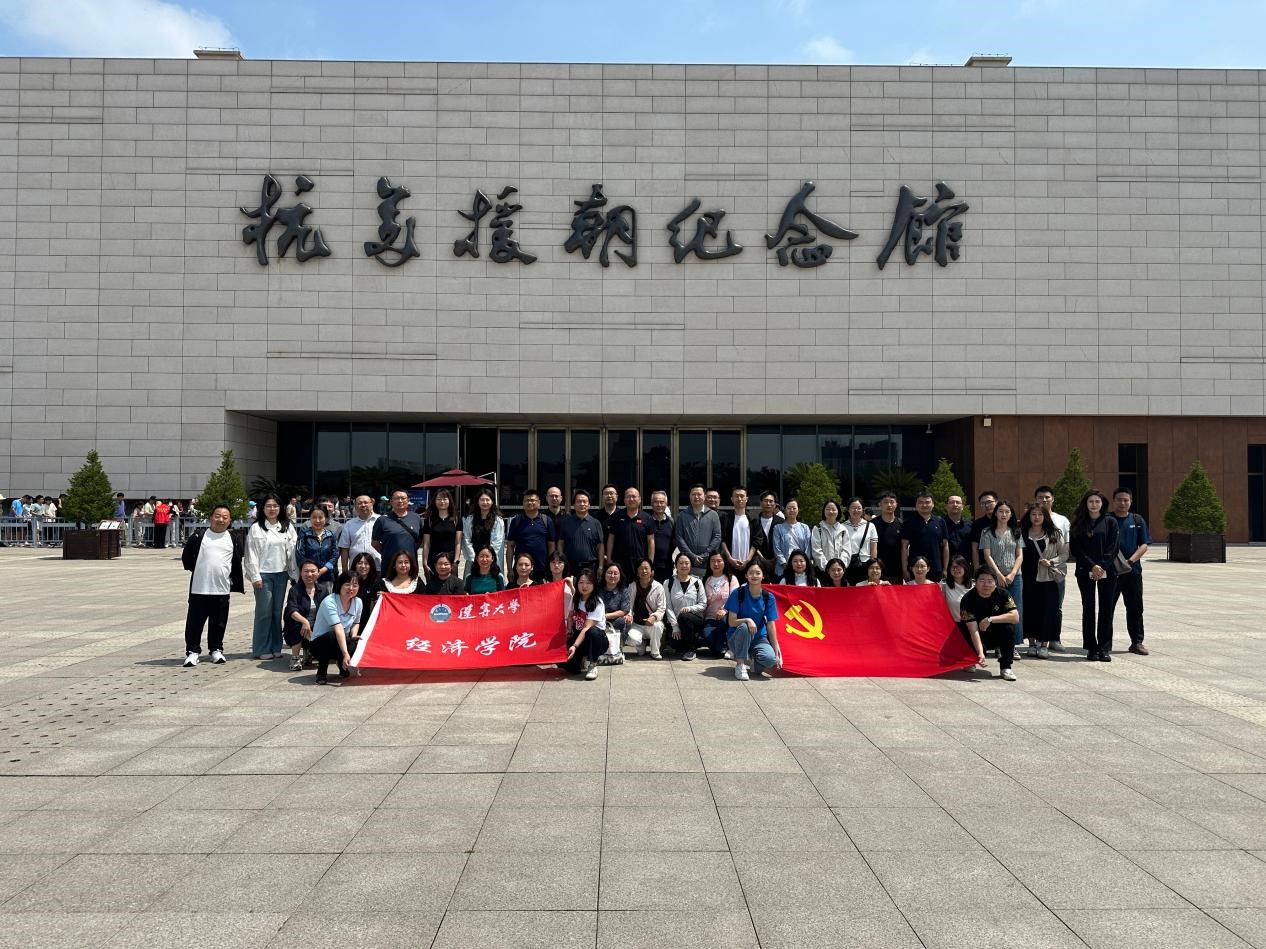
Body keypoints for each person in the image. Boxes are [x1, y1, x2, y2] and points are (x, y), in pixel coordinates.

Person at [180, 504, 244, 667]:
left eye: (225, 517)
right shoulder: (199, 535)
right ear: (211, 518)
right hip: (199, 588)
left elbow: (236, 562)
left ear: (229, 520)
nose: (221, 519)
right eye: (217, 516)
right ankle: (192, 652)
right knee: (195, 622)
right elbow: (187, 558)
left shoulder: (233, 538)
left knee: (219, 622)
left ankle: (216, 649)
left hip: (221, 588)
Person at [243, 494, 297, 661]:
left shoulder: (287, 526)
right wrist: (255, 576)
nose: (272, 509)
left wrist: (294, 574)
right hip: (263, 574)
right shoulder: (256, 528)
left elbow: (293, 552)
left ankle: (276, 646)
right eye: (268, 506)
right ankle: (261, 648)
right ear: (263, 508)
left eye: (275, 506)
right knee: (264, 612)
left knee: (276, 611)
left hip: (282, 574)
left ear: (280, 508)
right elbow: (250, 553)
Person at [1070, 490, 1120, 662]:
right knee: (1088, 608)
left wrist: (1102, 566)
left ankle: (1104, 648)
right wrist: (1093, 565)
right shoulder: (1078, 523)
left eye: (1097, 501)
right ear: (1086, 503)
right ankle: (1091, 648)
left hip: (1108, 571)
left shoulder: (1110, 521)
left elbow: (1113, 547)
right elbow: (1076, 549)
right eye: (1091, 501)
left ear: (1102, 503)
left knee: (1106, 608)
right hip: (1085, 571)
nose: (1094, 504)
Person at [1021, 503, 1068, 658]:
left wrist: (1052, 561)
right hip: (1027, 577)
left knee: (1047, 611)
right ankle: (1032, 643)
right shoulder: (1021, 533)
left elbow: (1064, 554)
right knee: (1030, 609)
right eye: (1033, 514)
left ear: (1045, 516)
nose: (1036, 517)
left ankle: (1044, 644)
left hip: (1047, 577)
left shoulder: (1054, 533)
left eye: (1040, 514)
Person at [1111, 487, 1152, 656]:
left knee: (1135, 608)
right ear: (1113, 501)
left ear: (1131, 501)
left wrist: (1129, 562)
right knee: (1107, 608)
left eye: (1126, 500)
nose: (1122, 503)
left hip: (1133, 572)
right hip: (1112, 572)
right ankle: (1104, 643)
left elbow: (1144, 544)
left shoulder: (1137, 519)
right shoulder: (1107, 520)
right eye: (1119, 500)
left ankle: (1137, 642)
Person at [960, 566, 1020, 681]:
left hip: (996, 632)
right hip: (977, 634)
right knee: (964, 631)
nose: (986, 584)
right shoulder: (967, 599)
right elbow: (973, 630)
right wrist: (980, 653)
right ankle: (972, 659)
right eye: (982, 580)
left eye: (990, 581)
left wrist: (990, 619)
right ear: (975, 582)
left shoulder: (1003, 594)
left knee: (1008, 628)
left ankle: (1006, 667)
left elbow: (1015, 617)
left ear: (995, 582)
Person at [725, 562, 782, 681]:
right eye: (751, 573)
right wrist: (747, 620)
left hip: (758, 638)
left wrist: (776, 651)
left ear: (763, 576)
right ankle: (740, 665)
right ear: (746, 575)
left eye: (758, 573)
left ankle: (750, 662)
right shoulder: (738, 593)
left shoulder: (768, 597)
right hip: (737, 637)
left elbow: (771, 625)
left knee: (771, 659)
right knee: (745, 627)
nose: (754, 576)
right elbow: (731, 622)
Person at [979, 499, 1024, 645]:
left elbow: (1020, 555)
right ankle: (997, 643)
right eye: (1000, 511)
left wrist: (1012, 574)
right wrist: (998, 574)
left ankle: (1014, 643)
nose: (1004, 514)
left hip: (1014, 577)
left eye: (1007, 512)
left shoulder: (1016, 531)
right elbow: (987, 555)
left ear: (1011, 514)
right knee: (996, 609)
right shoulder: (987, 532)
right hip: (994, 577)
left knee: (1015, 609)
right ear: (995, 513)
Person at [1034, 484, 1072, 650]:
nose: (1044, 500)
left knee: (1057, 605)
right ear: (1035, 499)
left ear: (1053, 499)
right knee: (1038, 605)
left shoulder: (1062, 520)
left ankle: (1055, 638)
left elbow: (1066, 547)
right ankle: (1038, 638)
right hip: (1036, 571)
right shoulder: (1032, 518)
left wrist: (1053, 562)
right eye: (1040, 497)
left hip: (1055, 570)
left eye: (1047, 497)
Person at [306, 571, 360, 685]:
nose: (351, 588)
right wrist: (345, 653)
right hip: (320, 643)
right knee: (331, 636)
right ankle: (321, 672)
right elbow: (338, 629)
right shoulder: (329, 602)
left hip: (341, 640)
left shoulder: (358, 602)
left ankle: (342, 665)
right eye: (347, 584)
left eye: (355, 585)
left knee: (356, 642)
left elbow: (356, 622)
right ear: (340, 585)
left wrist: (354, 635)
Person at [942, 556, 986, 669]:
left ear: (965, 567)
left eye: (958, 567)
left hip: (972, 624)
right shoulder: (944, 585)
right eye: (953, 567)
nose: (955, 569)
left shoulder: (974, 585)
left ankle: (972, 659)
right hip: (953, 625)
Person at [505, 489, 557, 582]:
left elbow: (551, 545)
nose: (529, 502)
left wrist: (551, 567)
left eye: (532, 500)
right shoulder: (516, 521)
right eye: (527, 500)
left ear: (539, 503)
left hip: (542, 569)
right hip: (521, 569)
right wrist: (509, 569)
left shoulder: (547, 520)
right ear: (523, 503)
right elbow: (510, 546)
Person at [564, 568, 606, 681]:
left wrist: (574, 646)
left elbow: (587, 628)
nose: (584, 586)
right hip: (579, 636)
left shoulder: (597, 602)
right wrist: (569, 631)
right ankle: (580, 661)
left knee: (593, 631)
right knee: (565, 662)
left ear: (594, 585)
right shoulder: (575, 599)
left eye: (588, 583)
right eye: (581, 582)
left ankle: (593, 664)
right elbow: (570, 616)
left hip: (596, 639)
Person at [283, 559, 324, 672]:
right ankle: (295, 658)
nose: (309, 574)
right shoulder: (294, 590)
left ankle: (310, 651)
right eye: (306, 571)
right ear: (300, 573)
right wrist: (304, 622)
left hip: (316, 626)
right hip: (299, 627)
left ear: (318, 572)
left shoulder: (323, 590)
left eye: (313, 571)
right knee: (296, 624)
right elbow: (292, 610)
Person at [663, 552, 706, 660]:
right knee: (674, 643)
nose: (684, 565)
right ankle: (689, 642)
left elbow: (703, 604)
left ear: (690, 565)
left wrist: (690, 608)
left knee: (684, 616)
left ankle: (691, 650)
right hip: (677, 621)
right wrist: (675, 626)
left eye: (687, 563)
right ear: (676, 565)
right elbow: (668, 607)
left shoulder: (697, 582)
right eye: (681, 563)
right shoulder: (668, 583)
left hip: (695, 619)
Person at [371, 490, 422, 579]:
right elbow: (375, 543)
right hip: (389, 565)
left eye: (403, 498)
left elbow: (420, 540)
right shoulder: (382, 520)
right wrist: (387, 551)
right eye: (397, 498)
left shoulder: (416, 518)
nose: (400, 501)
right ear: (391, 501)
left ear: (408, 500)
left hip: (410, 564)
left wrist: (409, 549)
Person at [605, 487, 653, 581]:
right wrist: (609, 559)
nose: (631, 499)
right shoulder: (616, 517)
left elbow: (651, 541)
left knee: (639, 588)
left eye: (634, 496)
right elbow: (611, 539)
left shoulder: (647, 518)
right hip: (619, 563)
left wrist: (650, 563)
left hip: (640, 564)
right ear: (624, 500)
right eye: (628, 497)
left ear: (639, 499)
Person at [900, 491, 950, 582]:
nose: (924, 505)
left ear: (933, 504)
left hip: (936, 568)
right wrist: (904, 569)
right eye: (921, 502)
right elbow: (904, 547)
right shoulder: (908, 522)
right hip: (915, 569)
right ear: (916, 505)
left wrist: (945, 569)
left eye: (927, 502)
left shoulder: (940, 521)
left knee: (934, 591)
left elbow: (945, 546)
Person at [674, 484, 722, 576]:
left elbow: (717, 537)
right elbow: (679, 538)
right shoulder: (682, 515)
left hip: (708, 563)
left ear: (704, 496)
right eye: (693, 494)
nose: (696, 497)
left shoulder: (713, 515)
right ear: (689, 496)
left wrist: (705, 555)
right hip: (688, 563)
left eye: (699, 494)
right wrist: (691, 556)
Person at [557, 490, 606, 577]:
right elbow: (561, 543)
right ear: (574, 505)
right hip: (571, 565)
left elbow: (600, 546)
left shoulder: (596, 523)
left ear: (589, 505)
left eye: (584, 501)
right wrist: (561, 561)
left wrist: (601, 566)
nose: (582, 504)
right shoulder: (566, 522)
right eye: (579, 501)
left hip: (591, 566)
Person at [626, 558, 666, 659]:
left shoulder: (658, 587)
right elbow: (629, 606)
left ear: (652, 571)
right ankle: (641, 645)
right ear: (637, 572)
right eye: (641, 568)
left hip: (651, 623)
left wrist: (654, 617)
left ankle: (655, 651)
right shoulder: (632, 586)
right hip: (637, 624)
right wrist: (629, 614)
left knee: (657, 626)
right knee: (632, 639)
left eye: (646, 568)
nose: (644, 571)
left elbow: (661, 608)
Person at [294, 505, 339, 596]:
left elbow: (335, 554)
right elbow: (299, 554)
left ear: (326, 518)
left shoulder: (331, 535)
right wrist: (311, 571)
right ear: (310, 518)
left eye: (320, 517)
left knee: (326, 601)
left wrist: (323, 570)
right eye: (314, 517)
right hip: (308, 576)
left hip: (327, 576)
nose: (317, 521)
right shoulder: (304, 534)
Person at [719, 486, 763, 577]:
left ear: (746, 499)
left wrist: (748, 560)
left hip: (749, 565)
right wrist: (729, 558)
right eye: (736, 496)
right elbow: (722, 539)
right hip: (729, 564)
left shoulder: (754, 519)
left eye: (742, 496)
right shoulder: (725, 518)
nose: (739, 499)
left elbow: (757, 541)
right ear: (732, 499)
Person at [461, 489, 505, 579]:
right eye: (482, 500)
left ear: (492, 502)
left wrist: (487, 558)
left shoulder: (498, 521)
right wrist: (475, 558)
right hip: (473, 559)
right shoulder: (470, 520)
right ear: (477, 502)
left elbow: (497, 542)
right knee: (471, 582)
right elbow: (466, 539)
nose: (485, 502)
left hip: (491, 560)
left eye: (487, 500)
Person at [701, 552, 738, 656]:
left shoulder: (731, 579)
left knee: (718, 647)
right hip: (710, 618)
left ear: (724, 562)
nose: (716, 564)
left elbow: (735, 599)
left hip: (726, 618)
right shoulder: (705, 579)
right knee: (709, 640)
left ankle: (726, 645)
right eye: (713, 561)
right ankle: (720, 645)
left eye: (719, 561)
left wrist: (725, 610)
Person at [421, 489, 461, 578]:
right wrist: (424, 562)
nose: (442, 501)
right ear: (434, 501)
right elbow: (426, 543)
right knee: (433, 584)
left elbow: (458, 543)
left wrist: (456, 561)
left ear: (449, 501)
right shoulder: (429, 520)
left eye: (445, 499)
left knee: (451, 584)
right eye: (439, 499)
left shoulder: (456, 519)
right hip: (434, 559)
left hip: (450, 560)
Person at [771, 499, 811, 580]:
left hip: (801, 567)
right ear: (784, 509)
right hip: (783, 569)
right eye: (789, 508)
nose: (791, 510)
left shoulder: (805, 528)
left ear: (798, 509)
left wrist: (803, 562)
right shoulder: (778, 528)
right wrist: (785, 563)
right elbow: (777, 548)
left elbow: (808, 547)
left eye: (794, 508)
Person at [598, 564, 630, 664]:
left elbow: (624, 610)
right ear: (604, 574)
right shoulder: (598, 589)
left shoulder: (623, 590)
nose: (612, 576)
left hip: (614, 620)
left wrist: (606, 616)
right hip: (598, 619)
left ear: (620, 576)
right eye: (609, 573)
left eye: (615, 573)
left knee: (622, 621)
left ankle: (618, 648)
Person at [338, 494, 380, 572]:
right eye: (359, 503)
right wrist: (345, 570)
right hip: (356, 569)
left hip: (378, 567)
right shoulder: (349, 524)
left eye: (365, 502)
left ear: (371, 504)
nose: (363, 505)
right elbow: (344, 548)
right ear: (355, 507)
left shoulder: (381, 521)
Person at [841, 498, 878, 585]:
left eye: (859, 508)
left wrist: (873, 566)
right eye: (853, 508)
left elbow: (873, 548)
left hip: (865, 565)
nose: (856, 510)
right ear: (848, 509)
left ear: (863, 510)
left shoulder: (870, 526)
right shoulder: (842, 527)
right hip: (847, 564)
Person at [811, 499, 851, 574]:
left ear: (838, 511)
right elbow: (816, 551)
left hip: (839, 572)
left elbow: (846, 550)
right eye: (828, 509)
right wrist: (828, 568)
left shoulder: (843, 530)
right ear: (824, 511)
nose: (831, 511)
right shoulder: (818, 529)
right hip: (822, 571)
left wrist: (839, 567)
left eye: (833, 509)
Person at [872, 492, 903, 583]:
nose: (889, 505)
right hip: (878, 570)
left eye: (892, 502)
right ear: (880, 504)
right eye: (885, 502)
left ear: (896, 504)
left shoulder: (901, 524)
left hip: (897, 570)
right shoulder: (872, 524)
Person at [754, 491, 785, 579]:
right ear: (760, 503)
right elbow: (752, 543)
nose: (768, 503)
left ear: (775, 504)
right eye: (765, 501)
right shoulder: (754, 522)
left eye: (771, 501)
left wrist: (775, 559)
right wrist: (763, 560)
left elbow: (783, 543)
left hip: (778, 564)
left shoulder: (781, 522)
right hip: (758, 563)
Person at [647, 490, 675, 582]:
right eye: (656, 502)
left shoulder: (671, 522)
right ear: (651, 504)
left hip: (667, 566)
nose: (659, 505)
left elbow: (674, 543)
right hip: (649, 567)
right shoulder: (646, 521)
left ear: (666, 504)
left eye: (662, 502)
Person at [970, 490, 999, 569]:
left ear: (996, 502)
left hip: (1006, 565)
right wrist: (976, 567)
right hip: (985, 567)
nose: (986, 505)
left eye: (989, 502)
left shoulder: (1005, 521)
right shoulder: (978, 524)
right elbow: (975, 547)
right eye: (983, 503)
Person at [944, 494, 973, 564]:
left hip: (966, 566)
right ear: (946, 506)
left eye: (958, 502)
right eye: (952, 502)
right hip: (945, 566)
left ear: (962, 507)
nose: (955, 504)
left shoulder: (970, 525)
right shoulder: (940, 524)